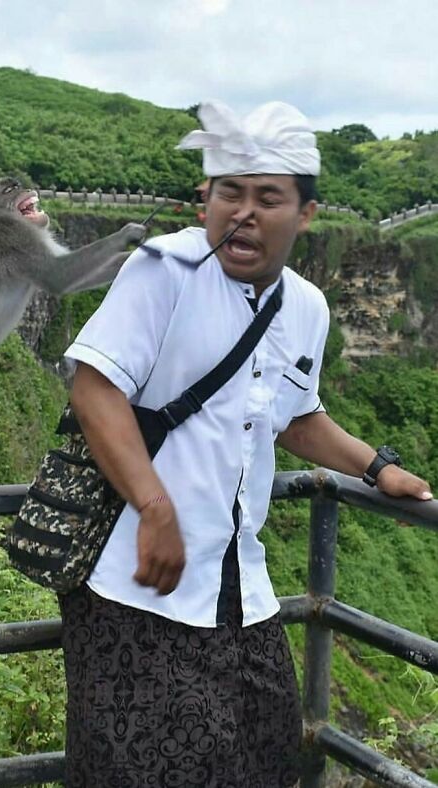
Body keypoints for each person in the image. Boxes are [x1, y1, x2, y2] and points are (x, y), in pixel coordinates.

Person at [59, 99, 432, 788]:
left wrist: (378, 467)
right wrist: (154, 506)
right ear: (206, 201)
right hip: (137, 584)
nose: (245, 212)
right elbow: (94, 389)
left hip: (240, 589)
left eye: (268, 197)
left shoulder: (308, 307)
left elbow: (294, 417)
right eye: (229, 193)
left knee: (265, 757)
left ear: (305, 213)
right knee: (142, 770)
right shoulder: (164, 271)